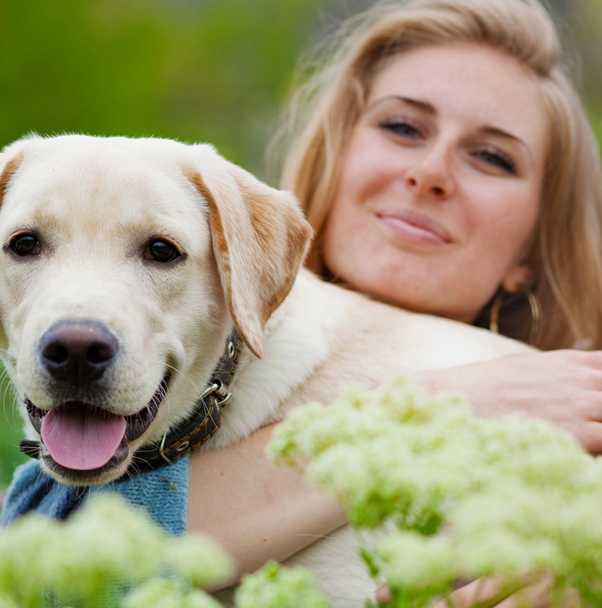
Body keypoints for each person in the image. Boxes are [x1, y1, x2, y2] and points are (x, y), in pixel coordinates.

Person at [187, 0, 602, 602]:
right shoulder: (178, 341)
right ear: (335, 156)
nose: (431, 172)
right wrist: (447, 404)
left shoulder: (579, 412)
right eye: (403, 127)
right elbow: (53, 529)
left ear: (531, 254)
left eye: (491, 157)